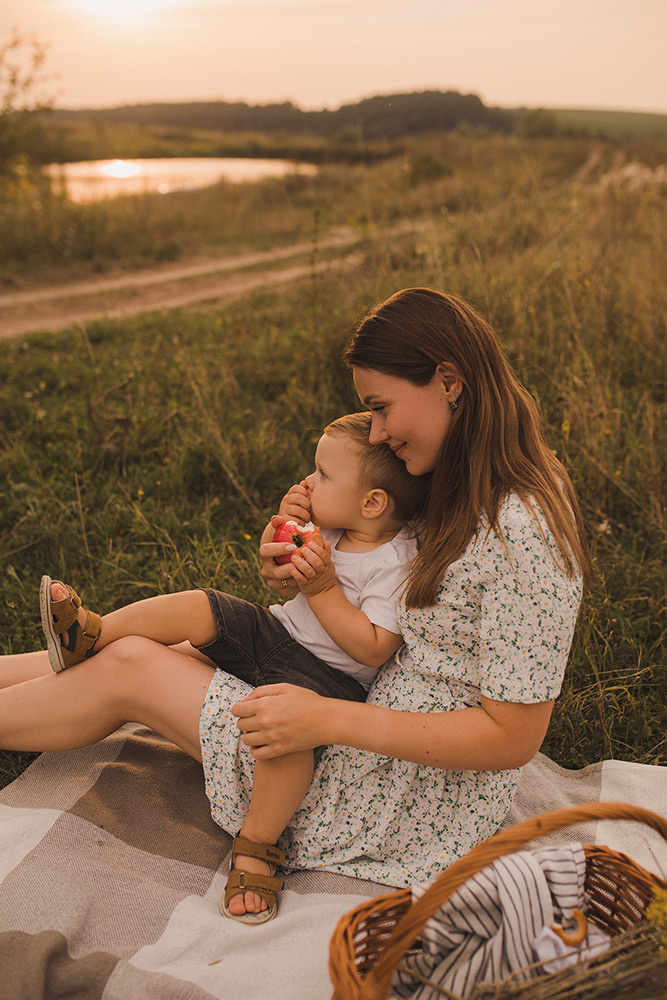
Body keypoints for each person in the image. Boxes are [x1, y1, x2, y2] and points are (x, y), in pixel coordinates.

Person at [0, 288, 590, 923]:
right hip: (362, 726)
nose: (381, 432)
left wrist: (325, 721)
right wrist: (298, 559)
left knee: (132, 666)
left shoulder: (524, 531)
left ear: (449, 380)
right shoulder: (463, 475)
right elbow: (378, 563)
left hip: (386, 797)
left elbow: (514, 737)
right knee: (157, 648)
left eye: (382, 408)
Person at [38, 411, 428, 923]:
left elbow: (375, 648)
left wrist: (324, 589)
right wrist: (285, 529)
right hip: (277, 635)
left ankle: (257, 847)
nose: (308, 482)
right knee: (201, 605)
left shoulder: (396, 562)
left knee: (283, 743)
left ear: (372, 502)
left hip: (325, 682)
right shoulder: (334, 527)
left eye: (322, 475)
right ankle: (90, 635)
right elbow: (282, 575)